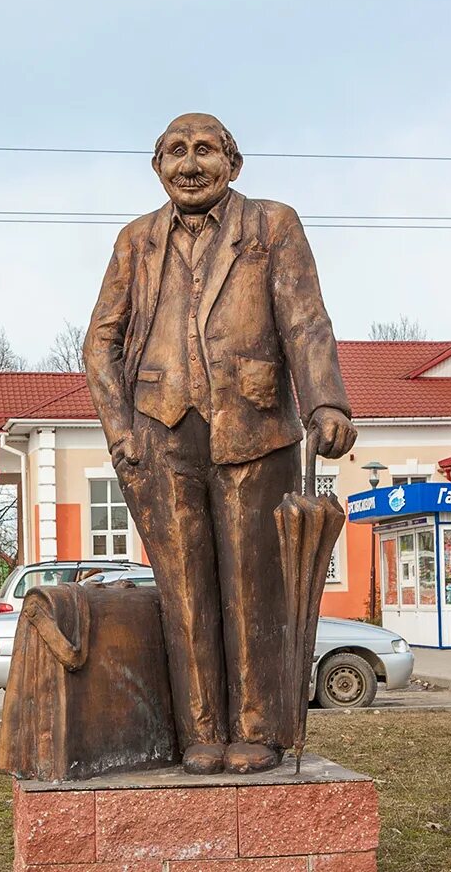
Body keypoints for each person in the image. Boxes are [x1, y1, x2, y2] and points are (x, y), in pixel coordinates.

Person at [84, 113, 356, 775]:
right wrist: (122, 434)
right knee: (185, 592)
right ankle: (200, 732)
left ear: (233, 163)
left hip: (256, 428)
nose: (190, 163)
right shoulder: (136, 242)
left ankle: (258, 729)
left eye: (205, 150)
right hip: (160, 434)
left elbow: (305, 321)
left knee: (252, 588)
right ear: (157, 168)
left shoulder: (272, 225)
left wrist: (324, 401)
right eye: (175, 152)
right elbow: (100, 342)